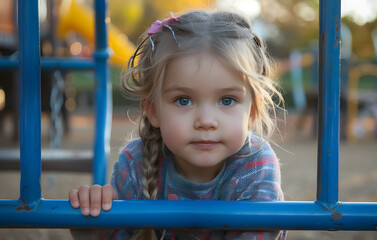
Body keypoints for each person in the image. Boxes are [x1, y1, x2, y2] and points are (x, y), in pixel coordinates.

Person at [69, 9, 286, 240]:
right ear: (153, 110)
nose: (206, 121)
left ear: (251, 111)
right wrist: (92, 226)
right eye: (183, 100)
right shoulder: (136, 163)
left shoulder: (256, 166)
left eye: (227, 100)